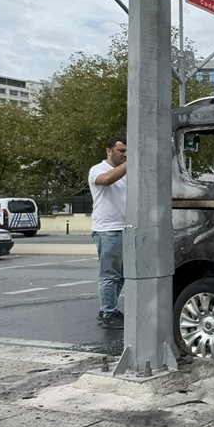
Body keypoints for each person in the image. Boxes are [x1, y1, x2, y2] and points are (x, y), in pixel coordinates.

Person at [89, 136, 127, 329]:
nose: (124, 154)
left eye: (126, 151)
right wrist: (131, 163)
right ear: (109, 151)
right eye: (121, 150)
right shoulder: (98, 169)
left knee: (124, 275)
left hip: (125, 228)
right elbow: (107, 180)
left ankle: (108, 308)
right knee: (109, 274)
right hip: (108, 230)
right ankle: (108, 313)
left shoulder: (126, 171)